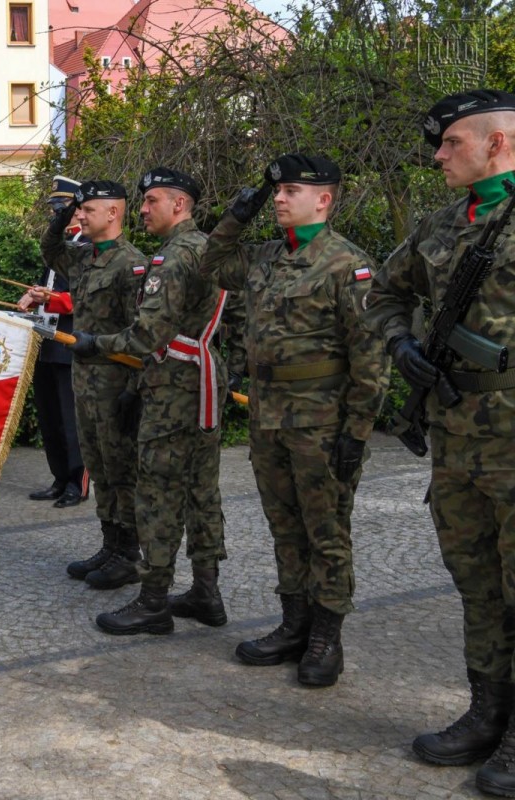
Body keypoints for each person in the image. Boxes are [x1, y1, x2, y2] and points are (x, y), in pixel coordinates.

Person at [363, 90, 515, 793]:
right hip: (456, 438)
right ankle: (486, 713)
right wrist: (401, 347)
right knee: (476, 582)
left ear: (498, 144)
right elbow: (384, 294)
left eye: (452, 142)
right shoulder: (438, 223)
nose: (438, 155)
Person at [202, 154, 388, 686]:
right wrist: (245, 205)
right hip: (268, 415)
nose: (279, 199)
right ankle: (293, 624)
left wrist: (357, 433)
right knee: (284, 525)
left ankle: (326, 638)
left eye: (288, 191)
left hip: (321, 420)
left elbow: (370, 357)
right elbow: (211, 263)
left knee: (326, 530)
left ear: (323, 200)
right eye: (276, 191)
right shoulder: (264, 257)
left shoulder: (347, 264)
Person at [69, 168, 229, 636]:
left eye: (151, 200)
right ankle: (206, 590)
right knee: (203, 490)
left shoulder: (173, 257)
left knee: (157, 490)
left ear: (179, 205)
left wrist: (92, 344)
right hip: (203, 376)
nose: (142, 209)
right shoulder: (207, 249)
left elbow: (144, 335)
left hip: (173, 384)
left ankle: (154, 600)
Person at [41, 181, 146, 590]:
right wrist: (62, 215)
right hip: (83, 379)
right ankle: (109, 544)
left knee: (122, 470)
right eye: (78, 211)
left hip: (115, 383)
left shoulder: (131, 264)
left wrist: (133, 389)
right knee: (100, 467)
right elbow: (51, 251)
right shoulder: (85, 257)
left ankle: (129, 554)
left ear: (113, 213)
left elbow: (142, 334)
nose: (81, 217)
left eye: (87, 210)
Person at [19, 176, 89, 508]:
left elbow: (85, 298)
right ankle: (60, 476)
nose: (55, 214)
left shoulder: (88, 245)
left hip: (71, 339)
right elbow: (48, 283)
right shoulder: (58, 244)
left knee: (71, 417)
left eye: (60, 208)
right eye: (53, 209)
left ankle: (78, 482)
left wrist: (50, 298)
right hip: (47, 340)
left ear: (76, 210)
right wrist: (33, 296)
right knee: (50, 415)